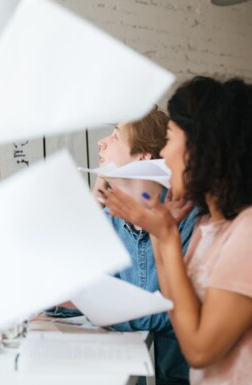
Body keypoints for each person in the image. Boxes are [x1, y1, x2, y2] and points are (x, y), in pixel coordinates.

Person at [103, 76, 252, 385]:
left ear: (206, 148)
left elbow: (198, 350)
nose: (163, 154)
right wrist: (161, 230)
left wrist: (167, 237)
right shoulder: (208, 226)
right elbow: (175, 307)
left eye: (169, 139)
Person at [50, 109, 198, 385]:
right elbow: (83, 293)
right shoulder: (113, 217)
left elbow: (179, 315)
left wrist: (91, 304)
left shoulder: (189, 218)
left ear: (143, 157)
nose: (101, 142)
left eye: (115, 136)